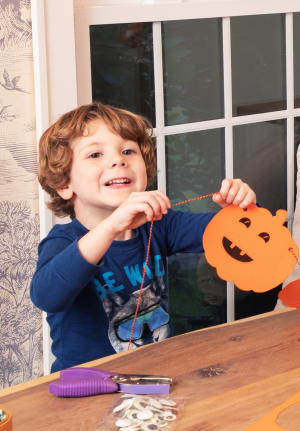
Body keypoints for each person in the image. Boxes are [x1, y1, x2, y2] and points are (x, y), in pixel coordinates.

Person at [32, 102, 257, 372]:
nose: (118, 160)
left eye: (128, 150)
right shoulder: (62, 242)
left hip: (153, 378)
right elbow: (46, 296)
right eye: (95, 155)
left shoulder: (160, 225)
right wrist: (112, 226)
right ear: (64, 184)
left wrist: (242, 209)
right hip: (84, 390)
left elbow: (245, 238)